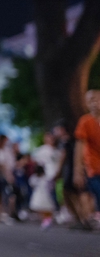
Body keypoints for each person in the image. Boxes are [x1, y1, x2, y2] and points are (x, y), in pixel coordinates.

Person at [74, 89, 100, 224]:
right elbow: (79, 147)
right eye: (90, 101)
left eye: (96, 99)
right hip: (94, 168)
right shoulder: (85, 122)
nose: (94, 103)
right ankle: (88, 217)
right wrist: (78, 170)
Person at [29, 165, 56, 229]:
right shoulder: (37, 178)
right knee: (43, 208)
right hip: (42, 194)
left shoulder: (42, 178)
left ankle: (46, 220)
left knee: (45, 208)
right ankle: (45, 220)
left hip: (43, 194)